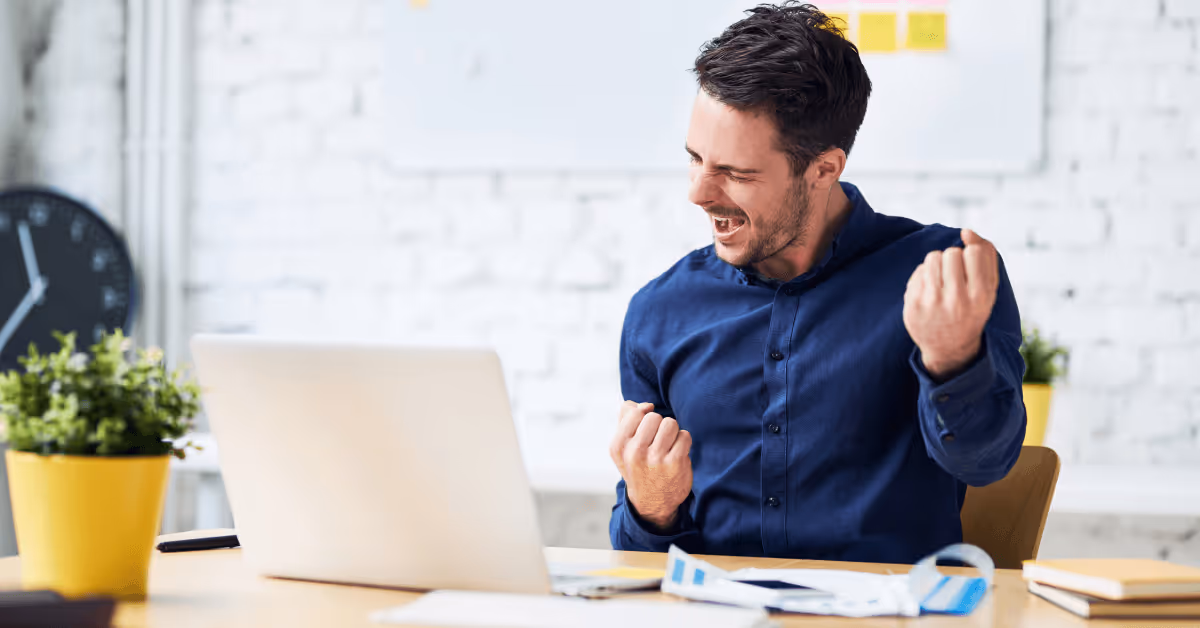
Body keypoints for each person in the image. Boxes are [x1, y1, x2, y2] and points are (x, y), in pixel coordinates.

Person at [608, 2, 1026, 564]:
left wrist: (953, 358)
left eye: (735, 172)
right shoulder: (660, 312)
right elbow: (638, 559)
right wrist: (651, 507)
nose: (700, 193)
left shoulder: (943, 277)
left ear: (825, 168)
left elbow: (986, 463)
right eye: (695, 159)